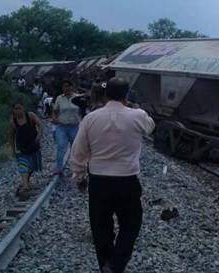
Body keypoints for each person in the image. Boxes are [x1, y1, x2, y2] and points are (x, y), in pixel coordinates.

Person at [69, 77, 155, 273]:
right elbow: (150, 127)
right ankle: (116, 265)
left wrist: (80, 177)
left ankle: (105, 266)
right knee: (131, 224)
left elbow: (78, 152)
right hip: (127, 181)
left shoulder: (91, 118)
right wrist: (134, 106)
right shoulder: (138, 116)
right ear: (126, 95)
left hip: (99, 182)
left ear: (106, 95)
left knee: (101, 228)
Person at [9, 101, 42, 194]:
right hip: (21, 147)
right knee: (23, 165)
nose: (18, 111)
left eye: (20, 108)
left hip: (33, 145)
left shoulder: (30, 116)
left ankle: (25, 181)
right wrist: (13, 149)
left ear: (23, 108)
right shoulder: (13, 122)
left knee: (33, 166)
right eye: (16, 109)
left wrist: (39, 136)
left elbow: (40, 125)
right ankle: (25, 185)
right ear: (13, 110)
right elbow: (11, 136)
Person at [51, 79, 81, 176]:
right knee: (61, 146)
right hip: (62, 126)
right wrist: (54, 118)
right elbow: (55, 110)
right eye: (64, 86)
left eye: (68, 86)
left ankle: (75, 169)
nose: (66, 88)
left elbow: (83, 110)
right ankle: (59, 168)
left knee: (75, 148)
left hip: (75, 126)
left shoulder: (78, 98)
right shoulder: (59, 98)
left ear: (72, 87)